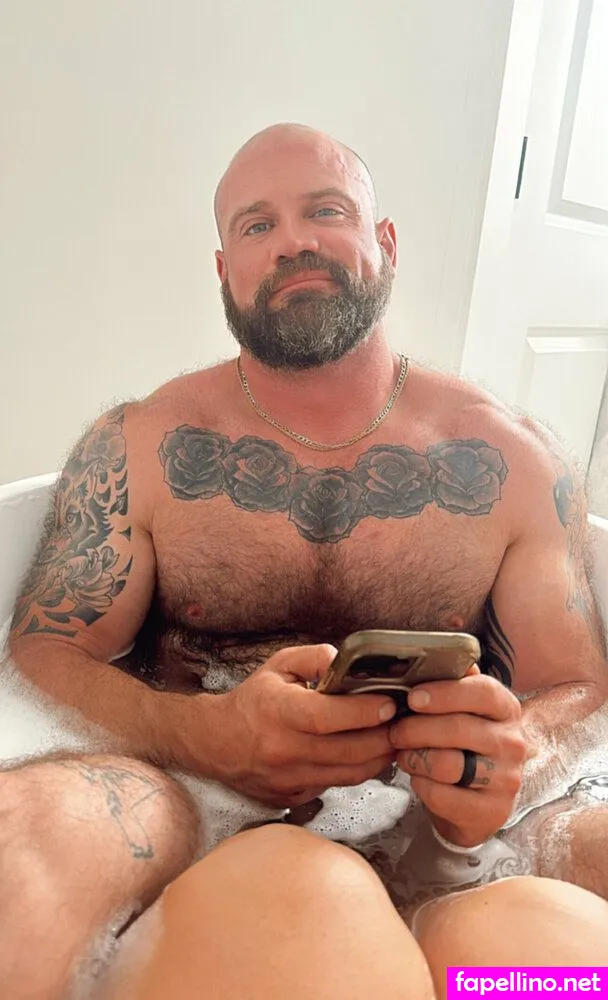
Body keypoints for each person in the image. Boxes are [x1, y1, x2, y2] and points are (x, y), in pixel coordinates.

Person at [2, 122, 608, 998]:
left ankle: (489, 973)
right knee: (24, 839)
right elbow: (45, 650)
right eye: (258, 224)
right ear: (225, 270)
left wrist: (515, 755)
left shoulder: (512, 460)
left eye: (326, 211)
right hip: (185, 785)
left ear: (385, 242)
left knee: (547, 935)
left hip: (466, 830)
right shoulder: (140, 447)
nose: (293, 241)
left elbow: (577, 686)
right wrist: (201, 736)